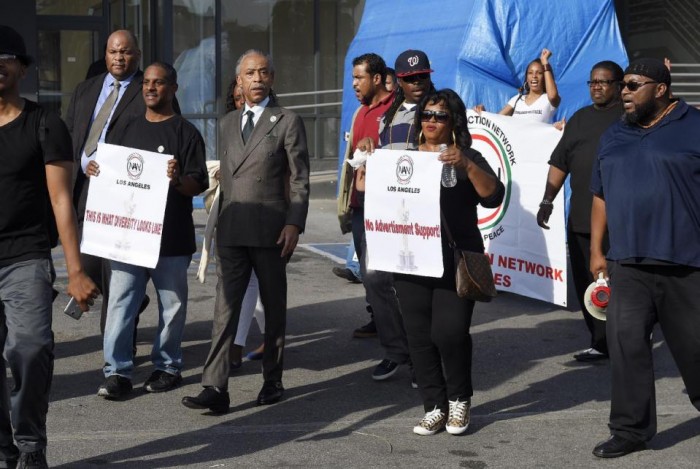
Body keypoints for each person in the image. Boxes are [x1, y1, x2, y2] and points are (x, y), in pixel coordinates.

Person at [183, 50, 310, 413]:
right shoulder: (226, 123)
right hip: (232, 230)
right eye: (250, 73)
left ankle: (273, 379)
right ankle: (215, 387)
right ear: (239, 80)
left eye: (264, 72)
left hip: (272, 231)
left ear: (272, 78)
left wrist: (294, 223)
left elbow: (300, 179)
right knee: (225, 310)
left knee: (273, 309)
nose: (257, 79)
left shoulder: (287, 120)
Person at [589, 58, 700, 458]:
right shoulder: (614, 134)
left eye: (634, 85)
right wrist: (596, 249)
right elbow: (599, 194)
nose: (624, 92)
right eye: (623, 85)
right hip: (628, 264)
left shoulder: (694, 126)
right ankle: (630, 431)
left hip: (687, 263)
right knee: (627, 349)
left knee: (695, 350)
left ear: (661, 89)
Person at [0, 25, 98, 468]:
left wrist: (75, 270)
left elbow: (61, 200)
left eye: (5, 58)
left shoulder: (44, 123)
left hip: (25, 255)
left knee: (31, 346)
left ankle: (29, 442)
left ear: (21, 67)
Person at [91, 62, 208, 398]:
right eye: (147, 83)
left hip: (171, 239)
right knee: (120, 303)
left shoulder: (186, 133)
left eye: (159, 83)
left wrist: (176, 180)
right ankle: (117, 373)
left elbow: (197, 183)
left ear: (173, 88)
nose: (151, 88)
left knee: (171, 306)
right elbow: (111, 175)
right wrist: (99, 171)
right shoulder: (124, 128)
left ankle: (167, 366)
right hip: (128, 238)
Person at [395, 89, 504, 436]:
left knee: (450, 333)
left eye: (440, 115)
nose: (431, 121)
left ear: (453, 120)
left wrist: (467, 165)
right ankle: (433, 406)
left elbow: (494, 196)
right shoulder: (405, 158)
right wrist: (368, 175)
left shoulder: (467, 156)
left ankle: (459, 399)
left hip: (455, 259)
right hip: (410, 260)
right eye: (426, 114)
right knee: (419, 338)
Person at [64, 30, 151, 341]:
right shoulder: (86, 89)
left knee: (118, 273)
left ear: (137, 55)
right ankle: (135, 299)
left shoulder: (148, 89)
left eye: (125, 52)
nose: (119, 57)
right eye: (114, 51)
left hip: (123, 194)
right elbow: (70, 136)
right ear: (105, 54)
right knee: (88, 263)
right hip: (84, 189)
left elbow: (163, 134)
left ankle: (117, 347)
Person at [536, 61, 624, 362]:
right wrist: (547, 201)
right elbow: (560, 162)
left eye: (604, 82)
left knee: (624, 285)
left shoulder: (629, 118)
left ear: (618, 84)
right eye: (592, 82)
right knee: (589, 285)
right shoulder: (579, 118)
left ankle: (629, 339)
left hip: (624, 222)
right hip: (581, 220)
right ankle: (600, 343)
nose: (597, 87)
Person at [338, 53, 414, 381]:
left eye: (359, 78)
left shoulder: (399, 111)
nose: (354, 84)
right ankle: (396, 351)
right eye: (353, 78)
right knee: (373, 281)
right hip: (361, 208)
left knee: (398, 283)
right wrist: (347, 206)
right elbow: (351, 161)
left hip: (393, 211)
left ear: (379, 78)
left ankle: (416, 353)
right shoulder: (360, 112)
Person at [199, 77, 265, 369]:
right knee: (236, 281)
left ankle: (242, 345)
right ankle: (236, 345)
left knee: (257, 282)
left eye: (246, 97)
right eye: (237, 98)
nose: (243, 102)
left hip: (264, 214)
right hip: (232, 213)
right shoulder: (228, 125)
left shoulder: (275, 124)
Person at [475, 48, 561, 124]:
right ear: (526, 78)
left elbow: (553, 96)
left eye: (539, 73)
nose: (534, 76)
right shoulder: (517, 99)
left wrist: (545, 61)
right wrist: (483, 113)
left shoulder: (548, 99)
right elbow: (496, 121)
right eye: (530, 73)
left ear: (545, 77)